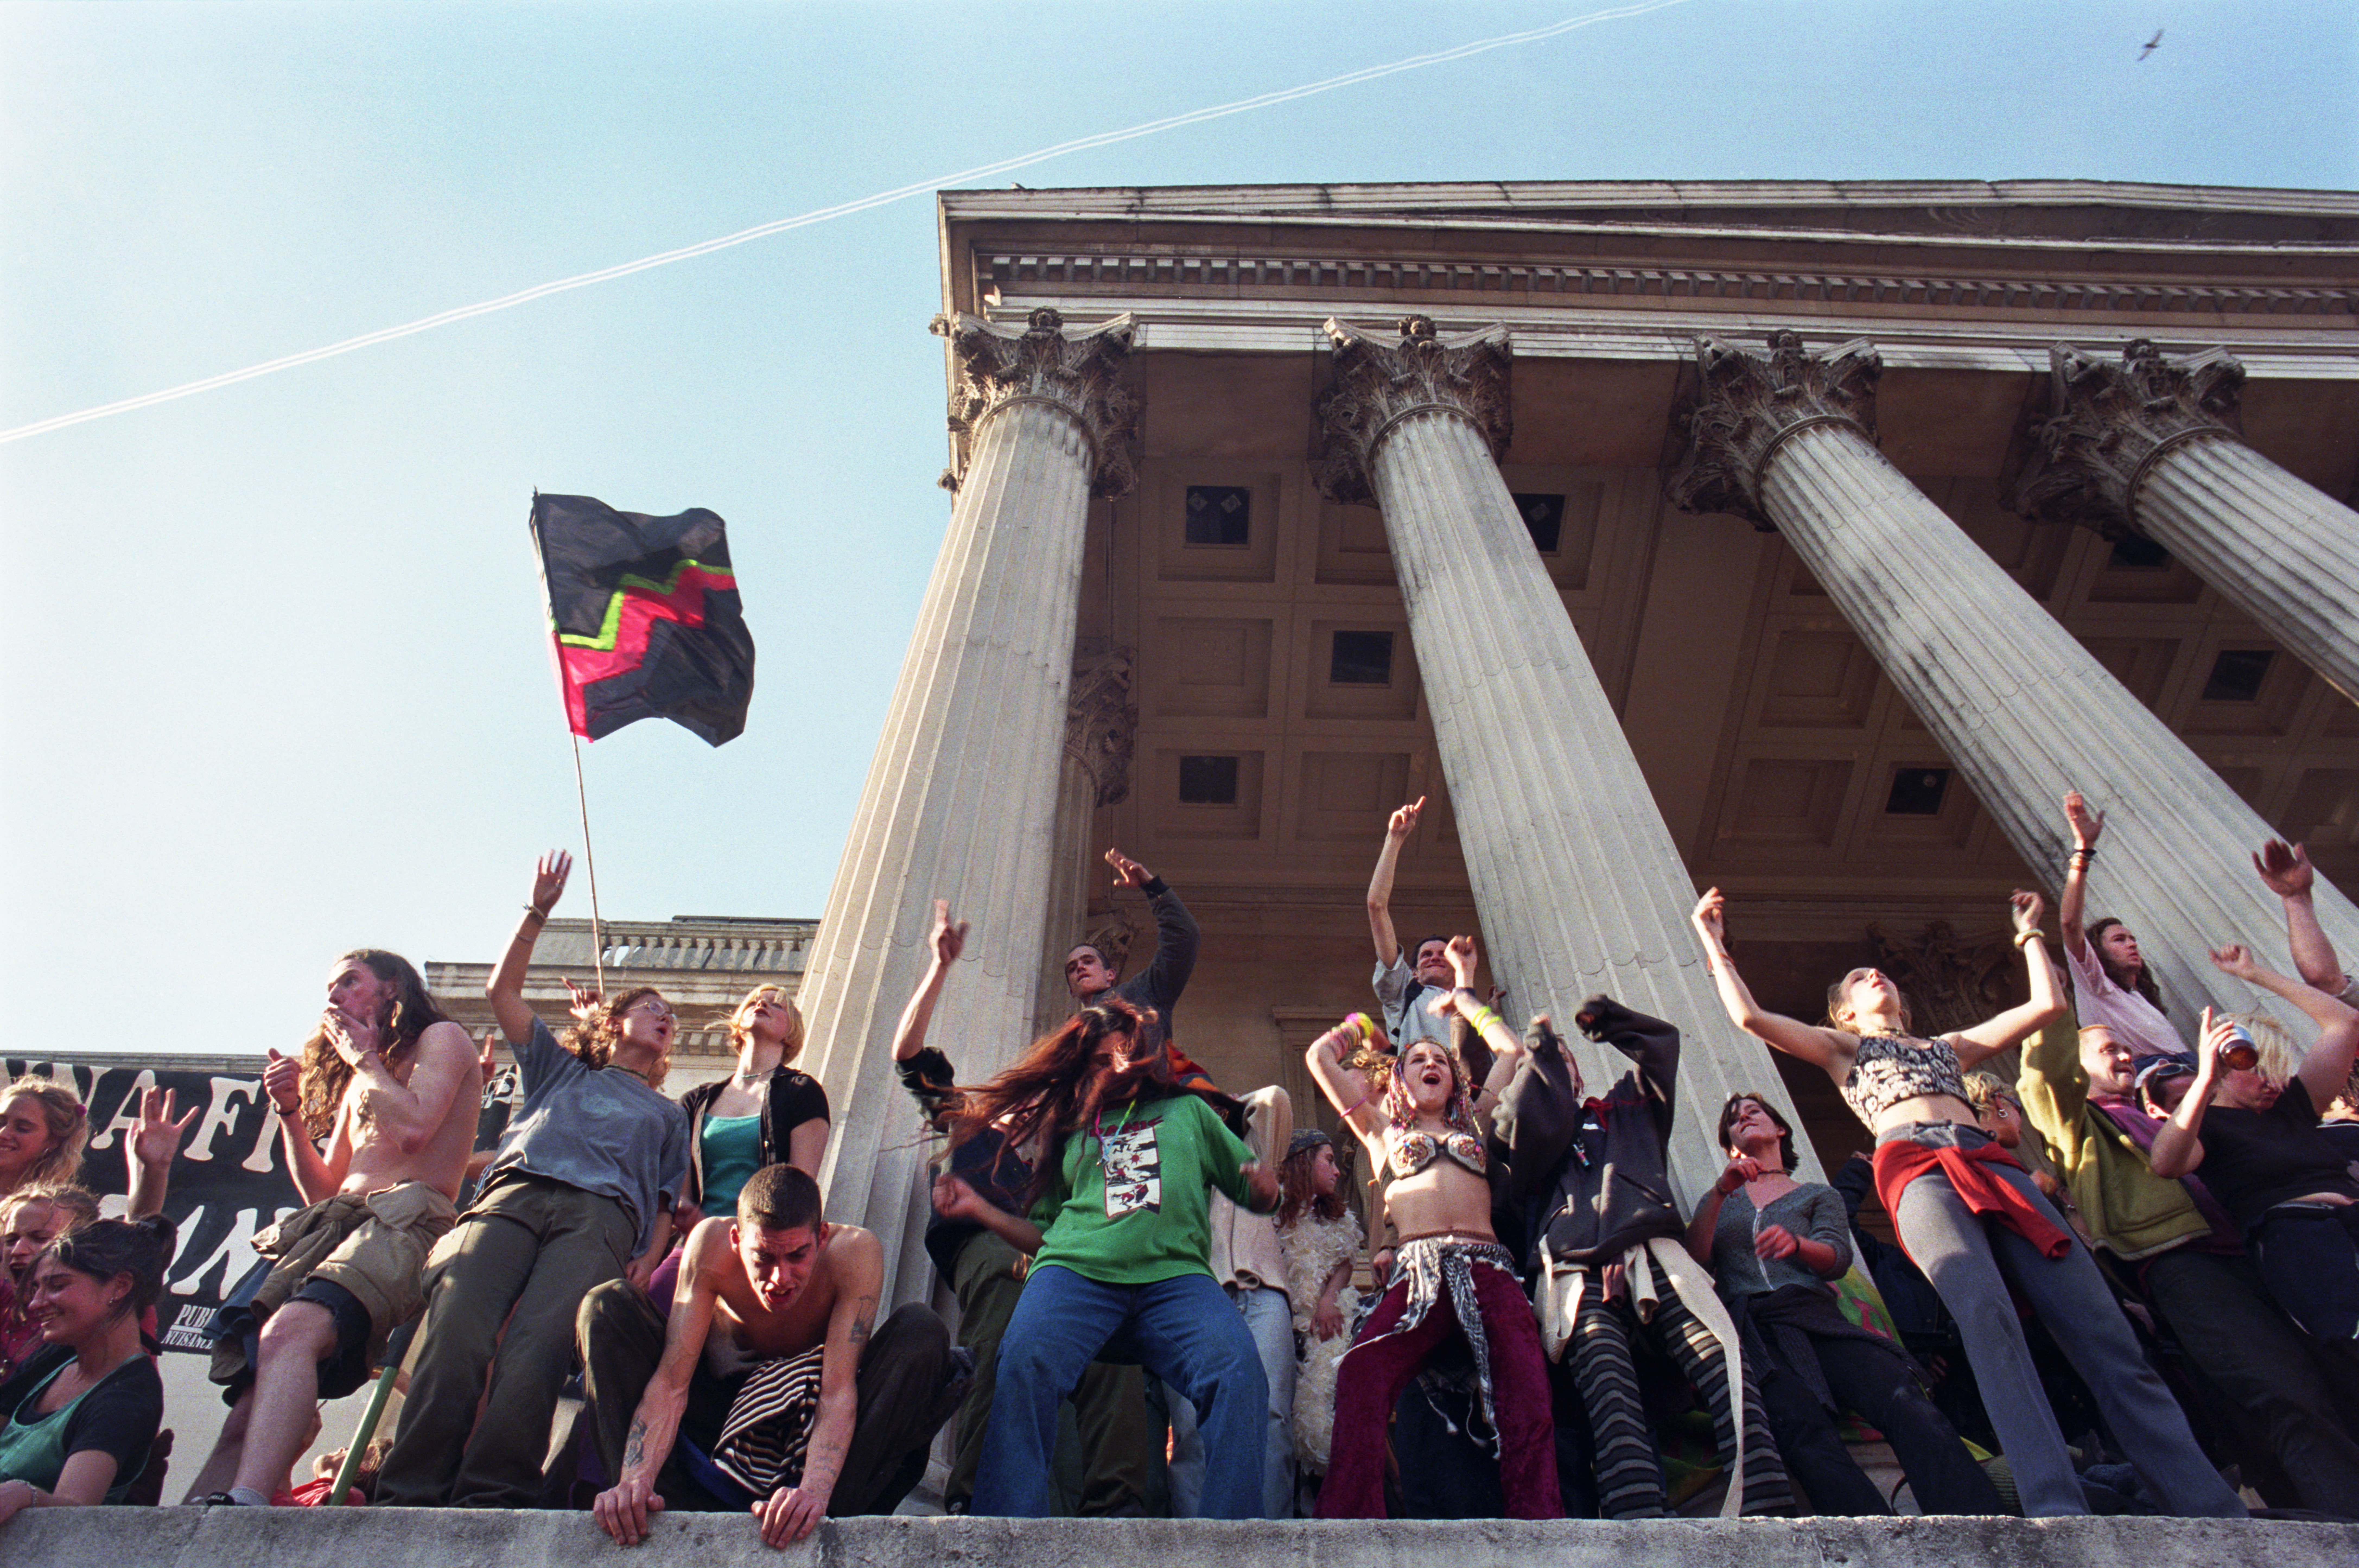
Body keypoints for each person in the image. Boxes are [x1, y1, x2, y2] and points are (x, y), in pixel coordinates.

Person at [1693, 884, 2244, 1518]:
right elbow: (1751, 1019)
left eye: (1880, 971)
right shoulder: (1845, 1049)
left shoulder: (1946, 1047)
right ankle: (2057, 1506)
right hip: (1916, 1165)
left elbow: (2045, 1004)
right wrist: (1714, 942)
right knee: (1989, 1327)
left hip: (1991, 1162)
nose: (1875, 973)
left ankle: (2204, 1500)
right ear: (1843, 1014)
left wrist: (2030, 933)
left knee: (2102, 1328)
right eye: (1858, 977)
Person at [376, 850, 689, 1509]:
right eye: (653, 1006)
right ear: (613, 1022)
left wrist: (649, 1256)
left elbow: (665, 1200)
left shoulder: (668, 1113)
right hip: (512, 1197)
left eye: (671, 1015)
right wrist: (536, 913)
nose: (665, 1017)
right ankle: (407, 1489)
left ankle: (492, 1492)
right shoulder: (561, 1067)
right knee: (457, 1327)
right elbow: (502, 994)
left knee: (538, 1349)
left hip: (600, 1221)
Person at [2019, 938, 2359, 1518]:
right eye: (2107, 1047)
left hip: (2253, 1253)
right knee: (2284, 1394)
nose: (2125, 1054)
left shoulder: (2219, 1114)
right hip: (2185, 1261)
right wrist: (2046, 977)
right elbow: (2049, 1069)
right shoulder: (2080, 1121)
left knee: (2331, 1383)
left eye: (2128, 1046)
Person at [959, 996, 1280, 1519]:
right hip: (1076, 1272)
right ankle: (1005, 1525)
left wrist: (1266, 1188)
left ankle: (1233, 1535)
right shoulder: (1067, 1129)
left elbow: (1254, 1190)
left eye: (1126, 1055)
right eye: (1100, 1061)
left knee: (1238, 1371)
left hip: (1175, 1278)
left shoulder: (1189, 1111)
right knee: (1023, 1357)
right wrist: (978, 1207)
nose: (1118, 1068)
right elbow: (1044, 1232)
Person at [185, 950, 481, 1509]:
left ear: (393, 988)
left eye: (350, 981)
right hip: (336, 1224)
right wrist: (290, 1112)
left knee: (291, 1332)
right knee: (248, 1403)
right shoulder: (361, 1076)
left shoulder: (442, 1038)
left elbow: (416, 1129)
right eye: (330, 986)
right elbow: (325, 1190)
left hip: (404, 1220)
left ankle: (247, 1502)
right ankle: (188, 1523)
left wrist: (365, 1061)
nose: (335, 996)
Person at [894, 900, 1156, 1517]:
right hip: (994, 1253)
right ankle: (974, 1498)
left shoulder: (1076, 1142)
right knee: (1004, 1341)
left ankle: (1118, 1508)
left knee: (1116, 1352)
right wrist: (938, 967)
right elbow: (908, 1055)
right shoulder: (971, 1121)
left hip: (1061, 1246)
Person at [1496, 991, 1788, 1519]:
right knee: (1608, 1390)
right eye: (1543, 1068)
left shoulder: (1626, 1111)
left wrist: (1608, 1020)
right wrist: (1537, 1052)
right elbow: (1519, 1118)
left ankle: (1766, 1498)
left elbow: (1661, 1047)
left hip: (1656, 1252)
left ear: (1582, 1075)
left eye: (1565, 1063)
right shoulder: (1531, 1141)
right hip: (1572, 1270)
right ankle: (1638, 1519)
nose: (1555, 1070)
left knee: (1722, 1360)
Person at [1305, 935, 1560, 1521]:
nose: (1429, 1064)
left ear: (1454, 1079)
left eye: (1439, 1061)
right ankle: (1348, 1526)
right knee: (1364, 1374)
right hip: (1416, 1274)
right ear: (1399, 1079)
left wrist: (1465, 1002)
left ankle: (1541, 1524)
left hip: (1487, 1269)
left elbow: (1510, 1049)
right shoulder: (1381, 1135)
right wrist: (1360, 1027)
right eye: (1417, 1060)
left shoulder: (1476, 1123)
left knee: (1526, 1388)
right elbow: (1320, 1059)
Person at [580, 1164, 961, 1547]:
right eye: (763, 1256)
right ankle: (643, 1505)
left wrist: (813, 1493)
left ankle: (814, 1520)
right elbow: (671, 1382)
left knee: (922, 1329)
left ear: (822, 1237)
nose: (780, 1278)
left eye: (798, 1255)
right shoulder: (709, 1241)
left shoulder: (855, 1252)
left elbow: (837, 1392)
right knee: (606, 1306)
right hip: (717, 1419)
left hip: (807, 1428)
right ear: (735, 1238)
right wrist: (635, 1479)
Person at [1686, 1092, 1999, 1516]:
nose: (1743, 1118)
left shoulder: (1815, 1194)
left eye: (1753, 1111)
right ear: (1729, 1145)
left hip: (1815, 1314)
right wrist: (1721, 1190)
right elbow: (1698, 1256)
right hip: (1755, 1329)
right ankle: (1870, 1537)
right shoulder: (1723, 1201)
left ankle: (1971, 1521)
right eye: (1734, 1121)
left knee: (1902, 1397)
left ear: (1780, 1129)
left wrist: (1797, 1244)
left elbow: (1837, 1257)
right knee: (1801, 1430)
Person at [2147, 947, 2359, 1347]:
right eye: (2259, 1069)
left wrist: (2253, 972)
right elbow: (2165, 1163)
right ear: (2226, 1068)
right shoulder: (2204, 1125)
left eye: (2278, 1070)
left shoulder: (2293, 1104)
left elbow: (2344, 1021)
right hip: (2304, 1244)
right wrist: (2204, 1080)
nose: (2272, 1083)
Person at [1165, 1085, 1295, 1519]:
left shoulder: (1252, 1156)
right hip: (1195, 1299)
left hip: (1264, 1294)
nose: (1207, 1114)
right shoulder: (1173, 1158)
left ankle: (1269, 1536)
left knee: (1273, 1415)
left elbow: (1275, 1098)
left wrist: (1226, 1102)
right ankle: (1197, 1543)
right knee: (1190, 1426)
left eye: (1216, 1108)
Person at [0, 1089, 189, 1385]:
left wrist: (155, 1169)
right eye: (11, 1240)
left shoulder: (99, 1301)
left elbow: (137, 1237)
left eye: (22, 1127)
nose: (20, 1250)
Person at [0, 1220, 171, 1517]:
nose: (36, 1303)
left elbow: (76, 1508)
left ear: (120, 1286)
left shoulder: (129, 1394)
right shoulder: (55, 1356)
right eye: (36, 1288)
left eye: (57, 1285)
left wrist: (23, 1494)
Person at [673, 985, 829, 1228]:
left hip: (763, 1240)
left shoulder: (802, 1091)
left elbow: (801, 1188)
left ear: (791, 1032)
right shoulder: (694, 1101)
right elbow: (681, 1190)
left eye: (776, 1004)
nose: (761, 1004)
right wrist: (686, 1210)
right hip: (699, 1239)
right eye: (753, 1002)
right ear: (738, 1024)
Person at [2057, 791, 2186, 1062]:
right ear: (2098, 953)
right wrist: (2083, 851)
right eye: (2119, 940)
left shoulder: (2140, 998)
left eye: (2131, 938)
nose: (2132, 943)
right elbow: (2070, 924)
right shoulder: (2096, 986)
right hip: (2154, 1080)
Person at [1274, 1130, 1361, 1492]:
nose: (1337, 1171)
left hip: (1326, 1320)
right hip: (1283, 1321)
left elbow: (1344, 1261)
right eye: (1328, 1159)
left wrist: (1328, 1298)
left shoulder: (1336, 1219)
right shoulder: (1273, 1214)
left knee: (1326, 1395)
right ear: (1303, 1162)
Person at [1062, 848, 1200, 1067]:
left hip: (1152, 1097)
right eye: (1072, 968)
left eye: (1088, 961)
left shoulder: (1143, 992)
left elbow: (1183, 937)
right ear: (1071, 990)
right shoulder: (1068, 1034)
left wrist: (1153, 888)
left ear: (1111, 974)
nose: (1079, 967)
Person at [1364, 798, 1456, 1050]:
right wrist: (1395, 838)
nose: (1435, 958)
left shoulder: (1472, 1007)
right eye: (1426, 955)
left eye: (1443, 954)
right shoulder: (1404, 990)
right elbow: (1376, 906)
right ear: (1414, 972)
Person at [0, 1080, 87, 1201]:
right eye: (0, 1123)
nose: (3, 1133)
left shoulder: (54, 1211)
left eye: (22, 1128)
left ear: (54, 1141)